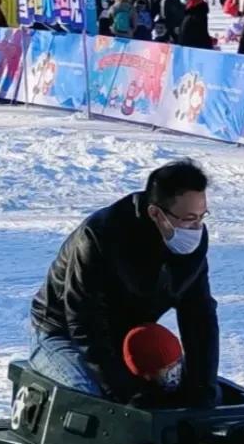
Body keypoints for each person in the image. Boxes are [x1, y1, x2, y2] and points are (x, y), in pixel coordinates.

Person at [28, 159, 219, 407]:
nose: (196, 228)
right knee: (97, 401)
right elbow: (85, 323)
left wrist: (202, 387)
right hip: (62, 331)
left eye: (201, 218)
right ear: (156, 213)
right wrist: (126, 392)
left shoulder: (190, 244)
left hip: (126, 337)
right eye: (188, 219)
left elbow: (199, 314)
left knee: (179, 388)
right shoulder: (100, 236)